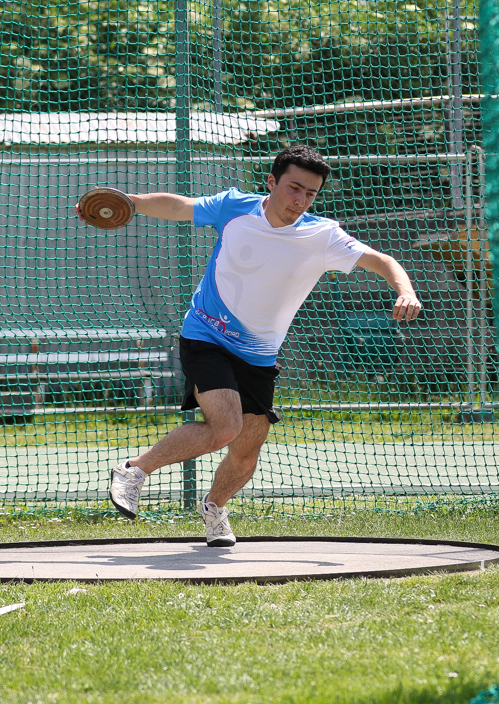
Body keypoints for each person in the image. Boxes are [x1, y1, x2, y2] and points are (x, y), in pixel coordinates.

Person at [85, 145, 423, 546]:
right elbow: (179, 207)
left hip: (259, 355)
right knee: (225, 427)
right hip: (207, 334)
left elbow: (382, 261)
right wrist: (130, 202)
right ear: (272, 182)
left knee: (246, 451)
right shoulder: (234, 207)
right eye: (294, 188)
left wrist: (405, 290)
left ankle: (214, 508)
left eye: (310, 193)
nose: (300, 200)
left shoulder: (323, 236)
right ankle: (134, 470)